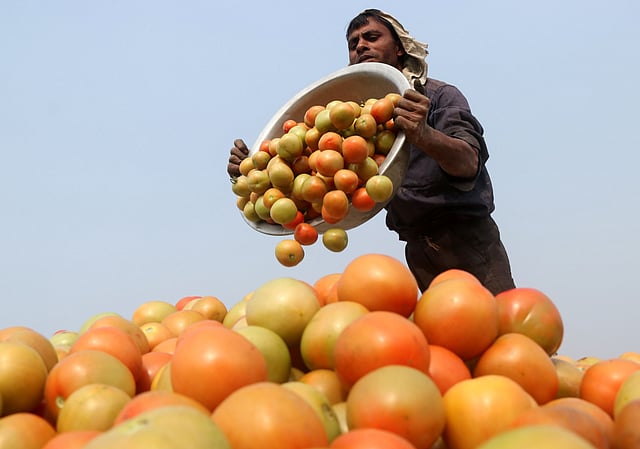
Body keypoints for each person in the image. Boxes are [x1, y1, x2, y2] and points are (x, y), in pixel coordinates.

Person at [227, 9, 515, 295]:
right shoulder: (354, 126)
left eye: (371, 37)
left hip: (468, 237)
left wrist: (424, 135)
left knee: (498, 329)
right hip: (417, 248)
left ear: (400, 49)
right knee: (451, 337)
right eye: (353, 44)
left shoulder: (436, 97)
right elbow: (311, 187)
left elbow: (468, 162)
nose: (361, 46)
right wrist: (253, 172)